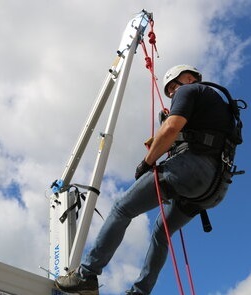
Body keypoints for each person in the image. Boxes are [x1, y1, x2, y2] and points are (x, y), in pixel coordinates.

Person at [57, 65, 239, 295]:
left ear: (190, 78)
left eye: (174, 85)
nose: (172, 92)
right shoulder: (220, 108)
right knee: (162, 233)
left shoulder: (190, 91)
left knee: (122, 208)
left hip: (192, 171)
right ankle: (140, 293)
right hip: (215, 189)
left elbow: (171, 128)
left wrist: (147, 162)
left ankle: (87, 275)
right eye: (169, 90)